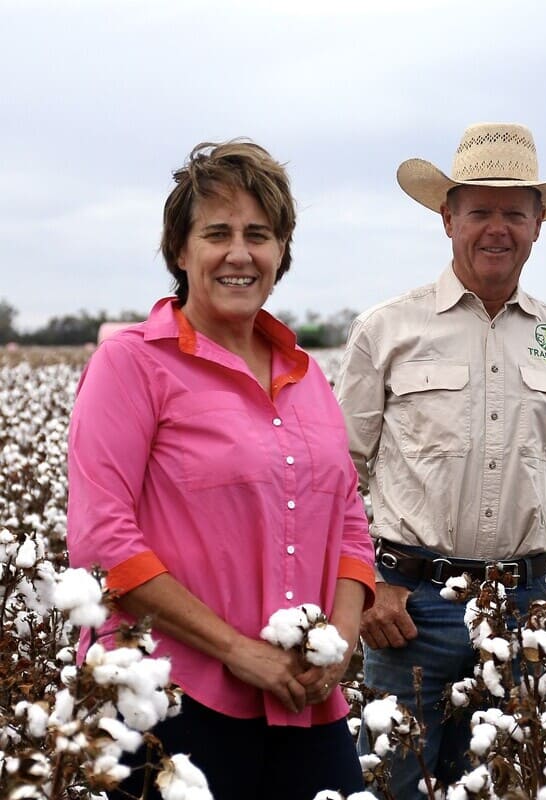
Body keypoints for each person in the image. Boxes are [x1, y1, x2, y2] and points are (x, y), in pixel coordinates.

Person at [67, 140, 376, 799]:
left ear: (281, 253)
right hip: (168, 699)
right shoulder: (132, 364)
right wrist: (240, 652)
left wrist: (338, 647)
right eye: (218, 233)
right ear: (180, 251)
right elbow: (102, 540)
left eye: (259, 235)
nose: (241, 254)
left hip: (303, 698)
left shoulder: (306, 375)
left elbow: (350, 525)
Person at [335, 122, 546, 797]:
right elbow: (334, 477)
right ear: (448, 219)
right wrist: (363, 585)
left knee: (508, 786)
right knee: (392, 790)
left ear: (539, 224)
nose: (496, 228)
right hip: (406, 610)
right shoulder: (386, 331)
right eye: (479, 211)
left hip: (530, 611)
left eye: (513, 212)